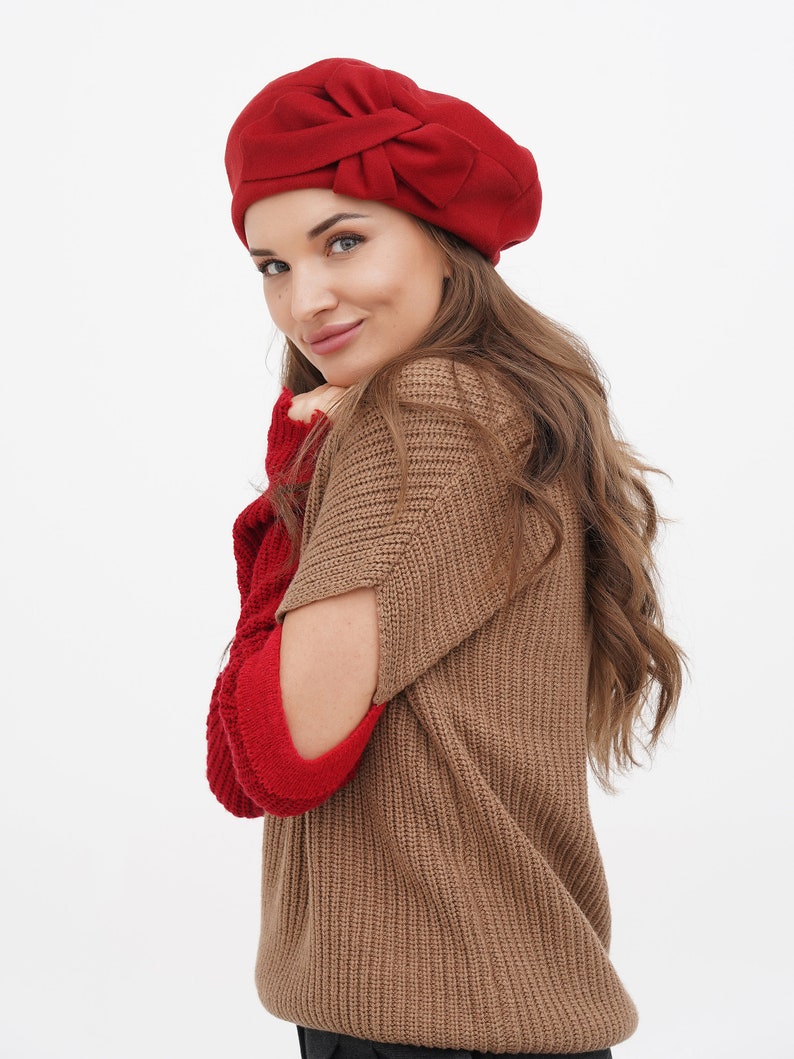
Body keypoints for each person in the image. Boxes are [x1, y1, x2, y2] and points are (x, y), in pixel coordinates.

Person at [206, 57, 685, 1059]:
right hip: (458, 1004)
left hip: (435, 1020)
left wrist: (303, 467)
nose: (306, 300)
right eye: (273, 265)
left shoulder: (427, 413)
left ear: (440, 237)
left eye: (343, 241)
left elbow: (277, 748)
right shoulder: (486, 407)